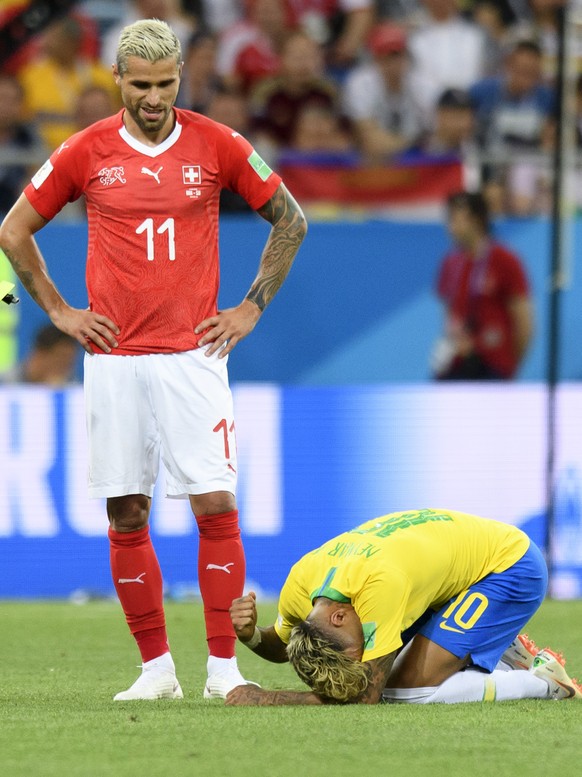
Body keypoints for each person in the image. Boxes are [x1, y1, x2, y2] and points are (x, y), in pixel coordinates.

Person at [0, 19, 307, 700]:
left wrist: (251, 305)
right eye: (140, 84)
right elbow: (12, 229)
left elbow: (291, 218)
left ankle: (223, 669)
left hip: (194, 356)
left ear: (180, 79)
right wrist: (59, 311)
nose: (153, 97)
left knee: (216, 508)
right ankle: (156, 670)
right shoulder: (86, 151)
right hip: (115, 359)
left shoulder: (218, 143)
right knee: (127, 512)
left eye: (166, 83)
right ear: (117, 79)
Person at [227, 507, 581, 705]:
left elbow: (368, 697)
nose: (362, 658)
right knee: (393, 668)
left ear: (338, 616)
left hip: (509, 566)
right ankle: (490, 642)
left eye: (356, 651)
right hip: (448, 579)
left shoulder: (379, 586)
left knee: (408, 690)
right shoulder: (301, 585)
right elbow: (283, 646)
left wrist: (268, 698)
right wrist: (252, 637)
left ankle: (543, 682)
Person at [432, 191, 533, 380]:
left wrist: (509, 366)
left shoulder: (505, 260)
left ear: (477, 221)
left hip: (494, 367)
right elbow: (449, 313)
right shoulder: (450, 263)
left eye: (455, 220)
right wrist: (455, 340)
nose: (450, 228)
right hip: (458, 365)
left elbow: (524, 323)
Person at [18, 16, 119, 151]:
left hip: (101, 148)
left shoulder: (103, 75)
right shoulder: (29, 76)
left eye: (54, 38)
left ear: (72, 42)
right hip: (44, 153)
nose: (47, 43)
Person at [342, 22, 424, 160]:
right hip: (373, 160)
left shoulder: (420, 83)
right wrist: (413, 144)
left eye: (398, 55)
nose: (394, 62)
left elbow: (437, 134)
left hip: (415, 159)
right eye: (387, 56)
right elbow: (370, 139)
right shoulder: (361, 82)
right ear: (375, 59)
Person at [0, 323, 79, 385]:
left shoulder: (72, 389)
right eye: (60, 360)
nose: (65, 368)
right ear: (40, 354)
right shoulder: (5, 383)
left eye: (70, 362)